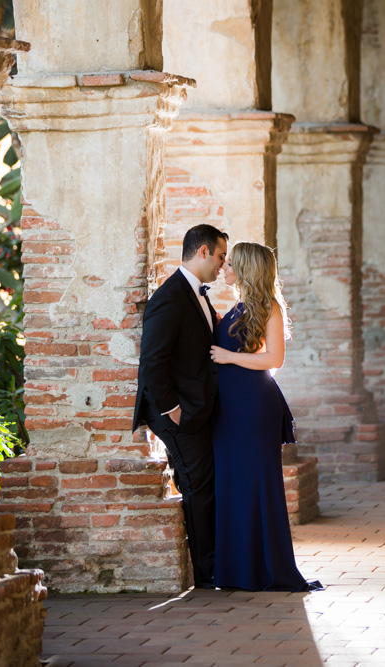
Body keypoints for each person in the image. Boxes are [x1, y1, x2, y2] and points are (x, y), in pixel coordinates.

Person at [209, 242, 322, 592]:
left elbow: (275, 360)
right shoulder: (238, 305)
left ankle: (268, 570)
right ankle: (238, 571)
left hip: (254, 406)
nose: (224, 268)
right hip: (231, 408)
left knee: (257, 485)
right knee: (233, 486)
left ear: (247, 269)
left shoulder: (269, 307)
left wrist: (229, 358)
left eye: (230, 264)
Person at [132, 224, 228, 590]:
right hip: (178, 414)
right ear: (202, 252)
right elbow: (152, 361)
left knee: (206, 484)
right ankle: (208, 574)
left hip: (195, 408)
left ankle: (215, 565)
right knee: (199, 486)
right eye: (220, 257)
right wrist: (173, 409)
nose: (222, 265)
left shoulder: (197, 294)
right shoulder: (169, 297)